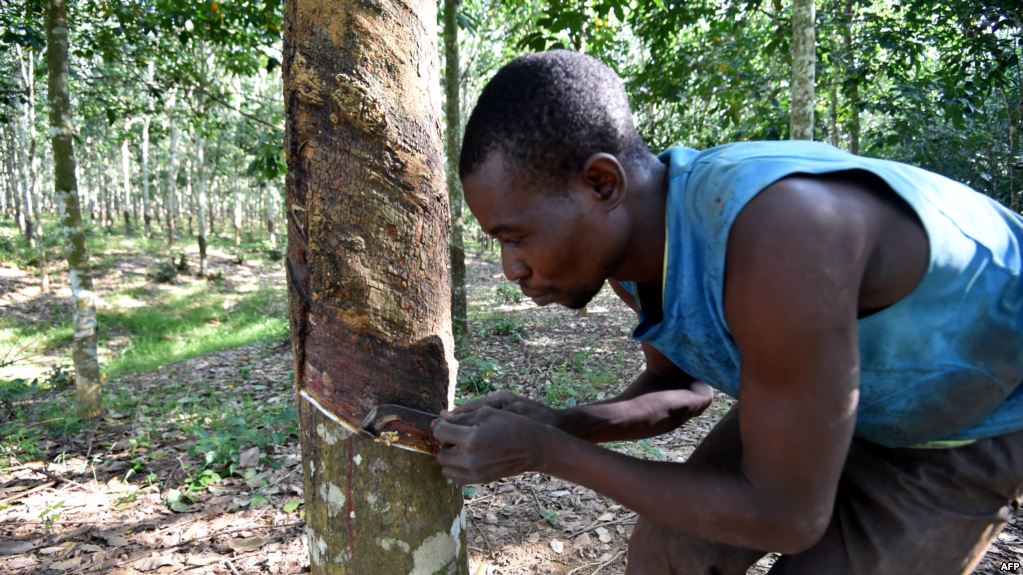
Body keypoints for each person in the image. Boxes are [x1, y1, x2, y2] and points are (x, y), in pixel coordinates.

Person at [431, 50, 1023, 574]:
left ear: (601, 183)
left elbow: (788, 517)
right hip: (824, 396)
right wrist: (561, 423)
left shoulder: (780, 238)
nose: (512, 268)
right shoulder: (636, 258)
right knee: (672, 555)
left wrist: (548, 453)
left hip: (961, 428)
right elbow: (681, 389)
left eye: (518, 236)